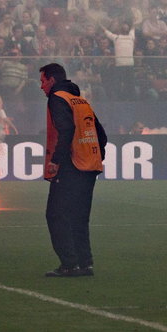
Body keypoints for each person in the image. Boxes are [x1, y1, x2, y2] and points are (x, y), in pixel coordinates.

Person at [39, 63, 106, 278]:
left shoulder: (57, 98)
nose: (41, 86)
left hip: (71, 166)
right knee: (79, 217)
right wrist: (97, 155)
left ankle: (69, 264)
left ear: (51, 80)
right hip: (89, 167)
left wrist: (56, 160)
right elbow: (101, 134)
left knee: (56, 215)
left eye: (42, 81)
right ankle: (85, 263)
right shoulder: (80, 100)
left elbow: (66, 129)